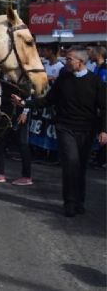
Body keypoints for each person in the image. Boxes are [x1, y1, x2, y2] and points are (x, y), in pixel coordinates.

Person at [11, 46, 107, 217]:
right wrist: (25, 104)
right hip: (65, 128)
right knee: (71, 164)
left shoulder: (95, 82)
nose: (66, 62)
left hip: (86, 130)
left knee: (81, 167)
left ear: (81, 61)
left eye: (69, 59)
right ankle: (69, 203)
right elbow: (48, 100)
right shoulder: (64, 78)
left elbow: (105, 108)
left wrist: (104, 130)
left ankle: (79, 201)